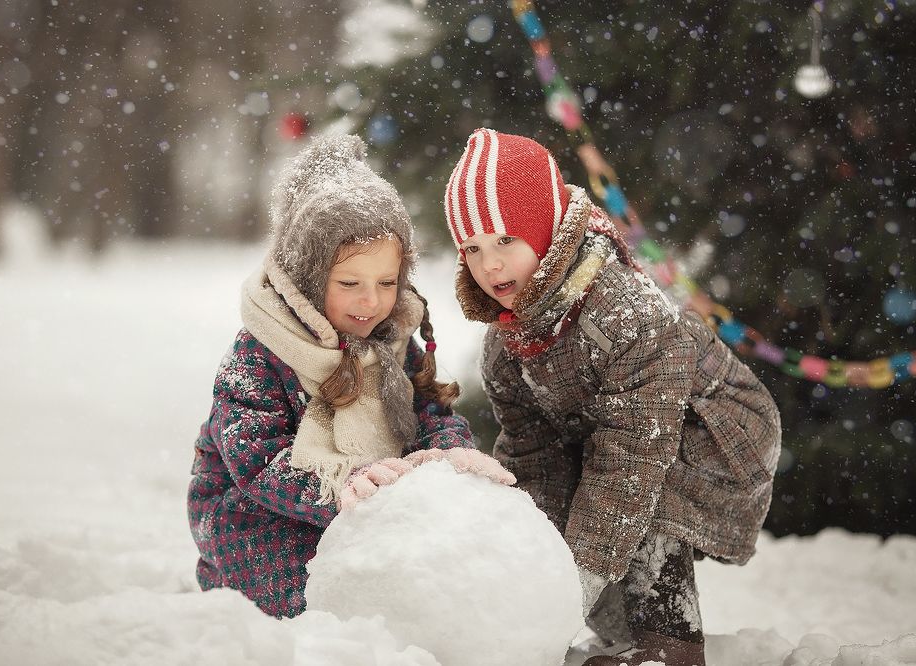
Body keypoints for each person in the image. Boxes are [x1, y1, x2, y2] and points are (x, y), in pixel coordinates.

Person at [443, 128, 782, 666]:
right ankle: (621, 634)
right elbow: (534, 456)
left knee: (637, 495)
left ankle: (669, 645)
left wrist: (579, 577)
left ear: (546, 231)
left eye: (507, 240)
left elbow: (633, 454)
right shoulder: (508, 345)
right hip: (619, 437)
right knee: (587, 519)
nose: (490, 265)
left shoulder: (624, 314)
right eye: (474, 249)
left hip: (719, 430)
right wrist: (529, 564)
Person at [188, 134, 515, 619]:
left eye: (386, 283)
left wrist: (449, 451)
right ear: (307, 276)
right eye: (349, 284)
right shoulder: (260, 350)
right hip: (259, 515)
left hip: (367, 501)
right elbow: (255, 460)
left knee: (424, 577)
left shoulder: (393, 337)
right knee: (320, 597)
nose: (371, 302)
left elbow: (427, 409)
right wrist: (336, 486)